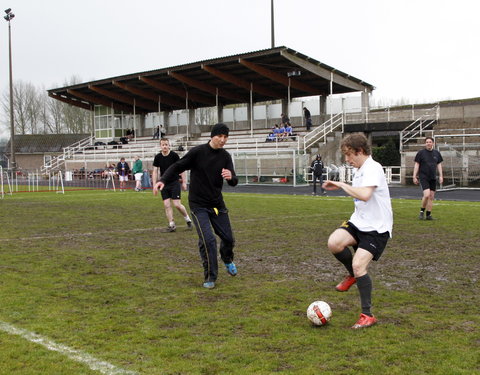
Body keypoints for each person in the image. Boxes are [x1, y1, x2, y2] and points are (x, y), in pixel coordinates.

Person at [153, 123, 238, 289]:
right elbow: (177, 166)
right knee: (208, 240)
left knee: (229, 239)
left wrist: (231, 177)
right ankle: (210, 276)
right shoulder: (198, 152)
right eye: (219, 136)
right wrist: (162, 180)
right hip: (198, 205)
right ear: (212, 136)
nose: (222, 140)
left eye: (225, 137)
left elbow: (234, 181)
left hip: (217, 204)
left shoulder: (225, 156)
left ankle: (227, 259)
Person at [322, 133, 393, 329]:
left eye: (349, 155)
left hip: (377, 229)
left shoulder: (373, 168)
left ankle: (367, 315)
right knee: (334, 242)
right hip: (359, 222)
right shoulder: (360, 169)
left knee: (359, 265)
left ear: (360, 151)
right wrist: (342, 187)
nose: (347, 160)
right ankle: (351, 275)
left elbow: (365, 195)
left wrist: (342, 185)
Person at [152, 138, 192, 232]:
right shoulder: (157, 157)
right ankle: (172, 225)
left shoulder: (174, 155)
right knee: (166, 205)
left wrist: (184, 182)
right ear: (160, 146)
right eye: (163, 145)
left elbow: (181, 168)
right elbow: (155, 171)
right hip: (163, 184)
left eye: (166, 144)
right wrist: (154, 184)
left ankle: (188, 220)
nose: (165, 146)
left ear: (169, 145)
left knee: (177, 205)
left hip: (174, 182)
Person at [413, 136, 443, 220]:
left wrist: (441, 176)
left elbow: (439, 165)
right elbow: (416, 165)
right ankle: (421, 212)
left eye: (430, 142)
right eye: (427, 142)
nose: (428, 143)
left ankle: (428, 215)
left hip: (432, 177)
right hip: (423, 177)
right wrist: (414, 176)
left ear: (433, 143)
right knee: (426, 195)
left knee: (431, 196)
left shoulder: (437, 153)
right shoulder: (421, 153)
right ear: (425, 143)